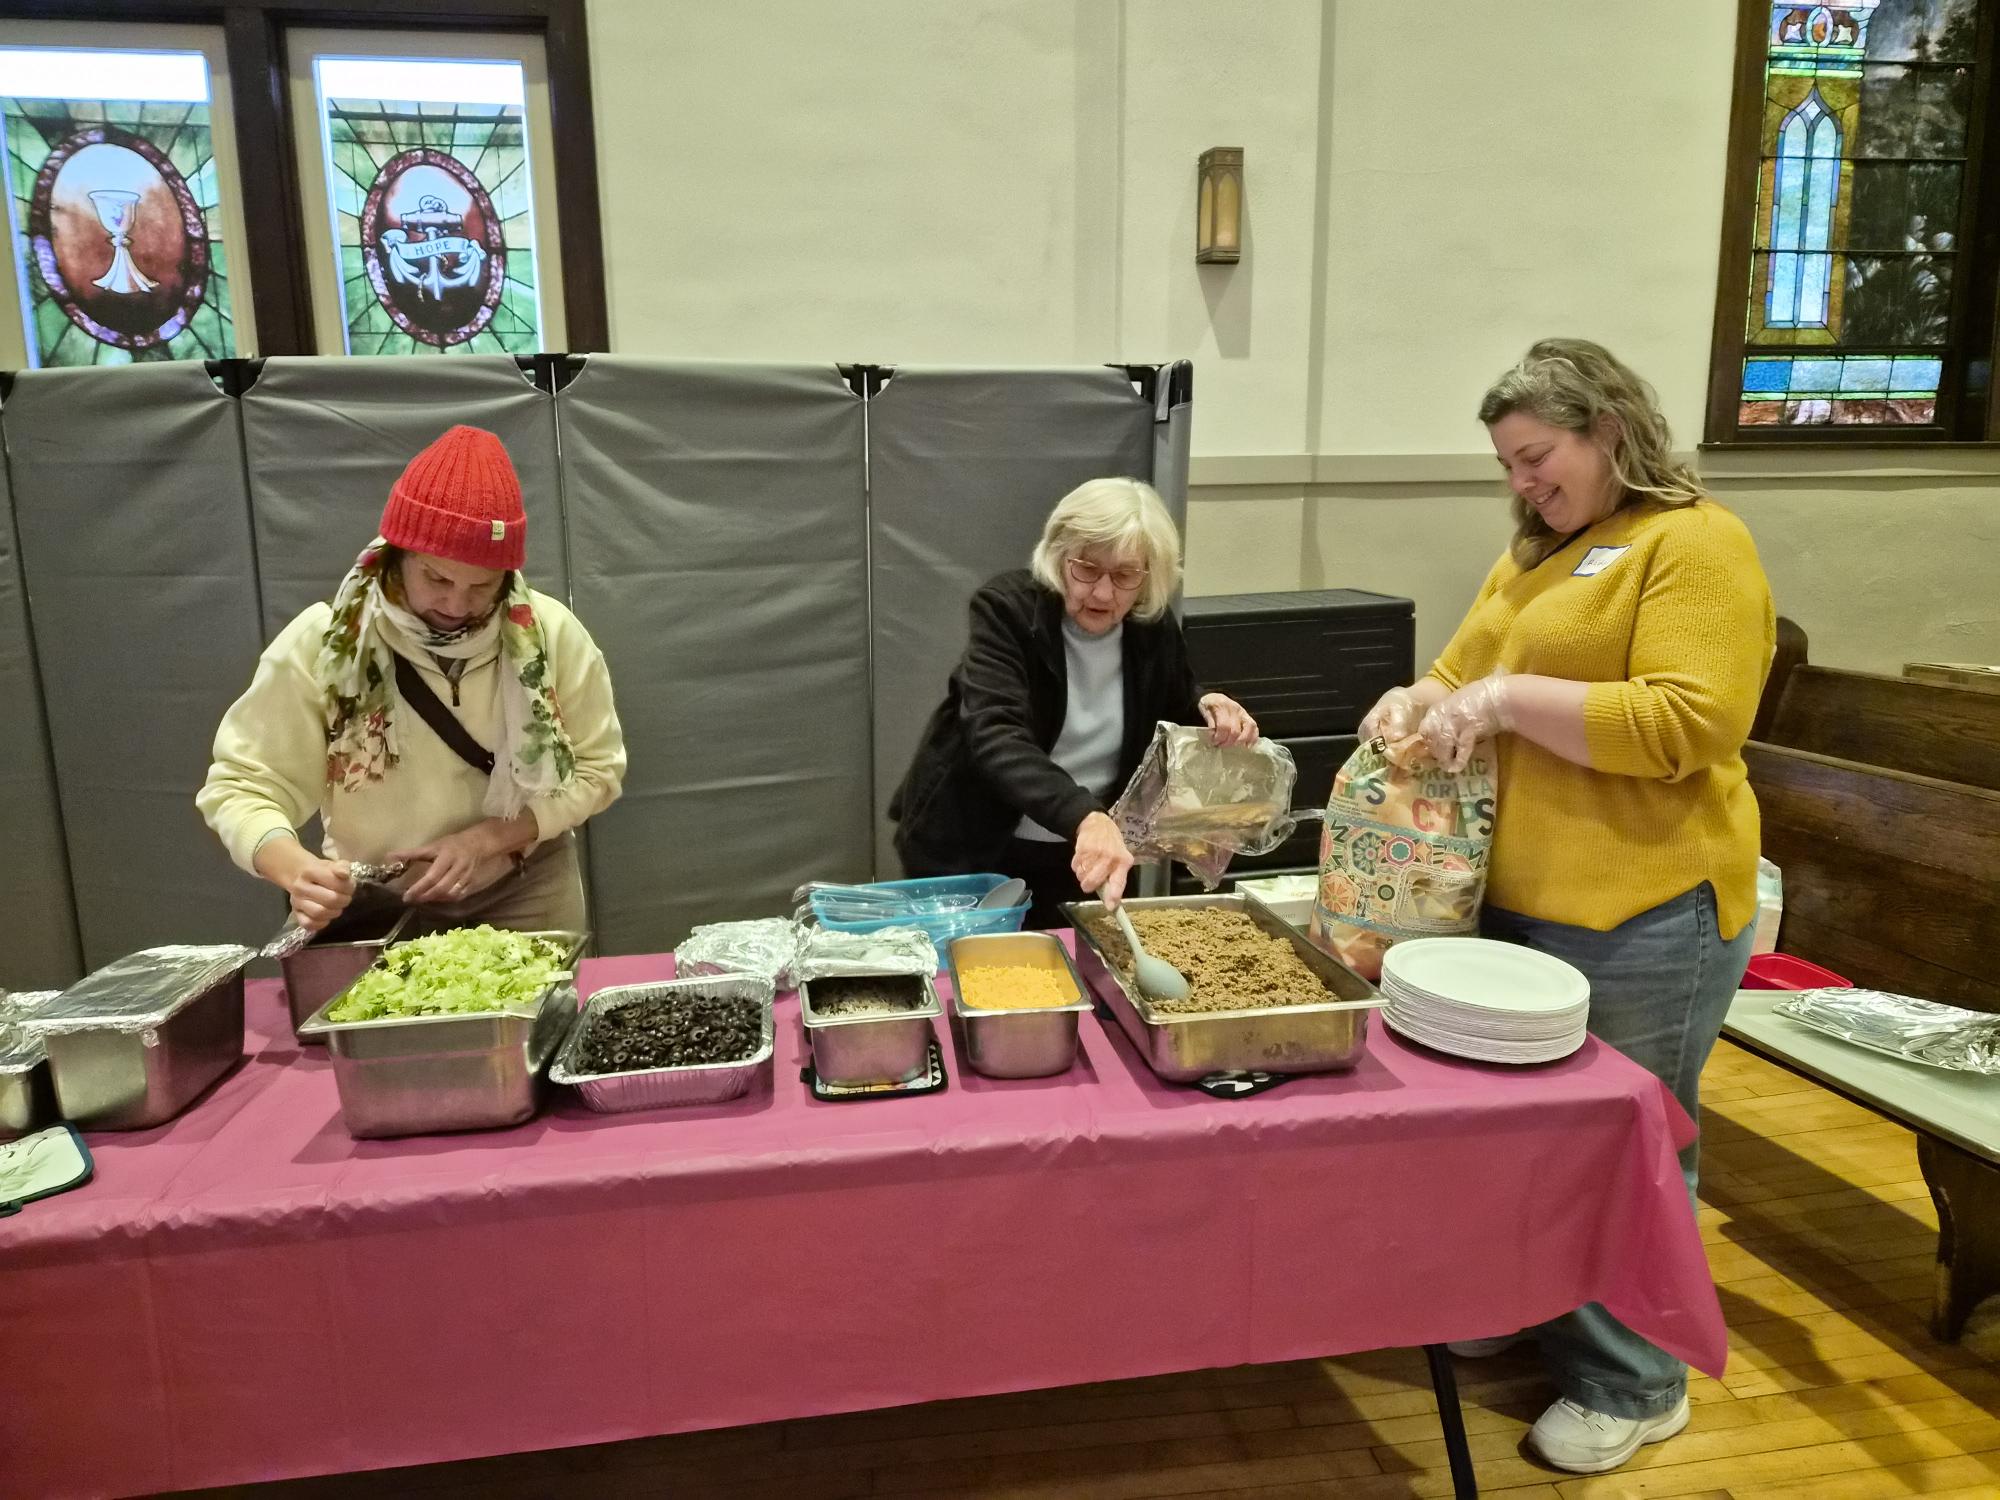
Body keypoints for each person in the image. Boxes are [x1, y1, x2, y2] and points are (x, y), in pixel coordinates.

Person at [1358, 339, 1773, 1475]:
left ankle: (1631, 1382)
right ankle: (1533, 1302)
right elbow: (1457, 667)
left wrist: (1505, 698)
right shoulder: (1540, 556)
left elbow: (1685, 725)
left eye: (1536, 457)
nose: (1520, 482)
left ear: (1608, 432)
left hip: (1643, 908)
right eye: (1505, 464)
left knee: (1620, 1151)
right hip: (1520, 906)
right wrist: (1422, 696)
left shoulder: (1691, 543)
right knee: (1522, 1137)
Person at [199, 424, 626, 939]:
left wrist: (489, 840)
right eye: (437, 578)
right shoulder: (325, 644)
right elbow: (243, 785)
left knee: (538, 1020)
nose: (456, 605)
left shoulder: (549, 635)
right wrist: (295, 870)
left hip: (523, 885)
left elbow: (598, 770)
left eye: (482, 586)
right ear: (395, 558)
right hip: (380, 899)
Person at [890, 477, 1258, 928]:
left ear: (1148, 576)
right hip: (974, 844)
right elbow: (995, 734)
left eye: (1124, 576)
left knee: (1068, 976)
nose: (1104, 593)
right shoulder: (1007, 611)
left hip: (1080, 855)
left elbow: (1174, 702)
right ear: (1059, 556)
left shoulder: (1151, 628)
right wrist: (1086, 816)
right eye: (1087, 569)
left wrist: (1209, 703)